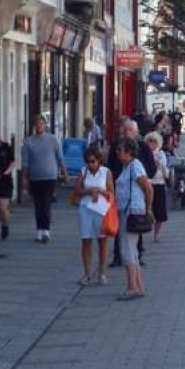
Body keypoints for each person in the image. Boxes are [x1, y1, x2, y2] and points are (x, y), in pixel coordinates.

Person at [107, 119, 157, 267]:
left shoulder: (142, 148)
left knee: (136, 223)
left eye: (130, 130)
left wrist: (139, 178)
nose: (127, 133)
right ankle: (118, 256)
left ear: (136, 133)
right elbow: (110, 167)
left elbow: (152, 170)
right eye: (125, 130)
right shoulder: (116, 147)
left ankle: (138, 254)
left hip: (136, 193)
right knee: (119, 225)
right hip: (119, 190)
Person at [113, 139, 153, 300]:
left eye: (120, 150)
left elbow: (148, 187)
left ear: (129, 152)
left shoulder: (135, 166)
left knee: (127, 249)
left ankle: (132, 287)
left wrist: (148, 208)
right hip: (127, 210)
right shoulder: (127, 167)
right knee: (132, 250)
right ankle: (139, 286)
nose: (117, 153)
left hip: (132, 211)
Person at [21, 115, 67, 243]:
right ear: (34, 126)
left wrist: (65, 173)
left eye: (41, 123)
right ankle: (39, 231)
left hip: (50, 177)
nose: (39, 126)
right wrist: (24, 178)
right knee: (38, 205)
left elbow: (60, 158)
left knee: (46, 203)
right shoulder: (28, 142)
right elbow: (25, 162)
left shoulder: (53, 140)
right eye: (37, 124)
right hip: (35, 177)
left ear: (45, 125)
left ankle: (46, 230)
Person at [73, 146, 113, 286]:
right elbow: (77, 190)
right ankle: (87, 273)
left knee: (102, 242)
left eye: (93, 161)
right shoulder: (83, 172)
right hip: (85, 209)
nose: (90, 164)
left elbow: (111, 194)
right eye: (88, 162)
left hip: (101, 210)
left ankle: (101, 273)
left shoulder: (106, 172)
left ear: (99, 161)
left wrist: (101, 191)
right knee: (86, 241)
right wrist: (89, 190)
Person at [144, 132, 171, 243]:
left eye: (154, 141)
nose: (151, 143)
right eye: (149, 140)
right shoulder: (144, 153)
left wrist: (153, 161)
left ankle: (156, 234)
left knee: (159, 211)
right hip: (147, 183)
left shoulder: (160, 154)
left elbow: (161, 166)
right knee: (147, 208)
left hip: (159, 183)